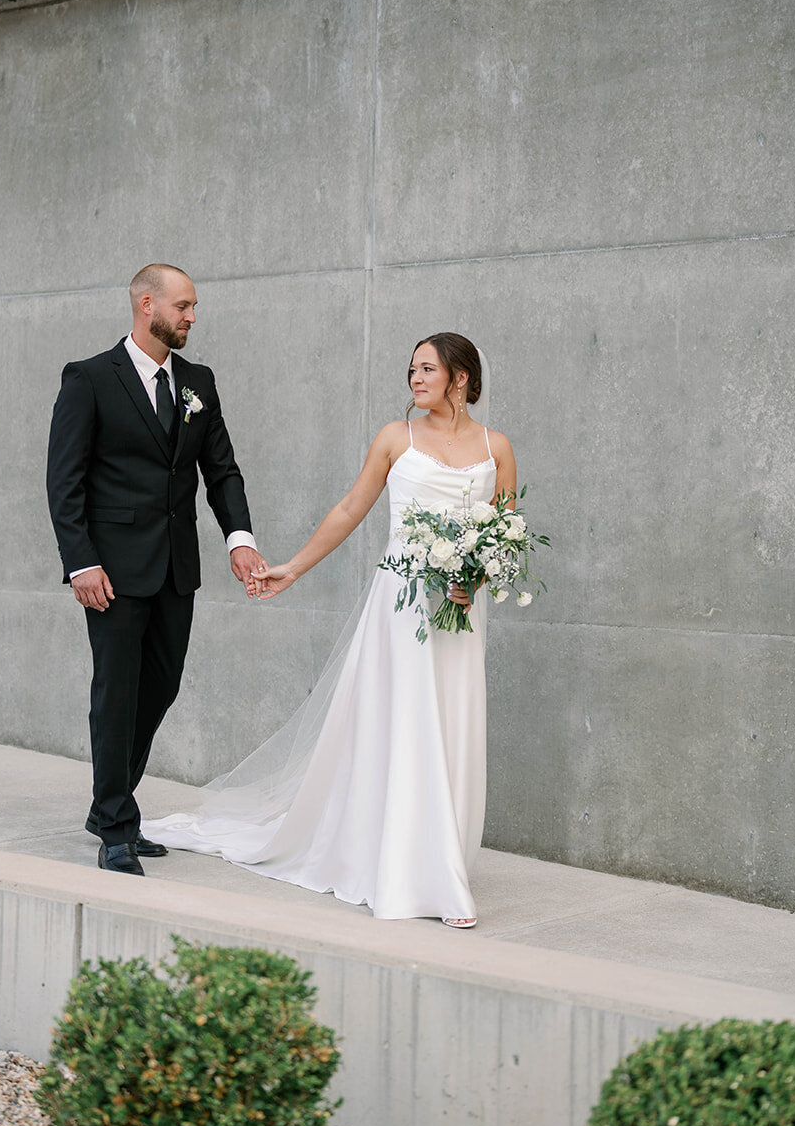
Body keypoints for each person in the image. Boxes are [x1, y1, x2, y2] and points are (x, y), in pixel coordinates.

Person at [143, 332, 517, 926]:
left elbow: (504, 528)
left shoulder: (496, 447)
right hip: (402, 603)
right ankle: (415, 872)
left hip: (460, 611)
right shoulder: (397, 439)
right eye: (411, 369)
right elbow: (349, 509)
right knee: (405, 722)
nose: (415, 379)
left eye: (426, 369)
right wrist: (292, 567)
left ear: (461, 378)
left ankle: (441, 857)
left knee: (449, 721)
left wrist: (475, 577)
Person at [46, 264, 267, 875]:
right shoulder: (90, 379)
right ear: (148, 305)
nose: (193, 317)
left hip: (176, 568)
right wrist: (80, 563)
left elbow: (220, 470)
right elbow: (63, 481)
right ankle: (116, 825)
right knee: (115, 694)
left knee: (161, 687)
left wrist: (239, 539)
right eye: (185, 306)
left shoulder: (198, 381)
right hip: (111, 572)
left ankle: (107, 800)